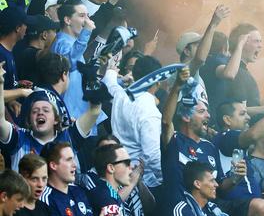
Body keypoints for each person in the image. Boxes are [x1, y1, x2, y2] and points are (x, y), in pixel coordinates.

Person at [160, 67, 251, 215]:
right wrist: (177, 86)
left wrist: (235, 178)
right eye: (202, 112)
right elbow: (165, 121)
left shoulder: (209, 146)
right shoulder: (174, 139)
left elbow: (218, 187)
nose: (208, 115)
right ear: (186, 117)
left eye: (207, 111)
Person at [0, 60, 101, 170]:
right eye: (35, 111)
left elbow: (94, 111)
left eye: (46, 110)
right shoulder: (19, 137)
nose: (40, 112)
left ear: (56, 119)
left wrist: (93, 81)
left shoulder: (68, 137)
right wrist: (0, 83)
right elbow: (0, 120)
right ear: (29, 120)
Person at [212, 99, 264, 216]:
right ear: (227, 120)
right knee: (260, 205)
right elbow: (253, 134)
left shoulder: (235, 141)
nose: (248, 117)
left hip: (253, 202)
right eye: (242, 114)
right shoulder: (227, 137)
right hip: (235, 205)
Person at [105, 55, 163, 191]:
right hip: (137, 180)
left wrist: (111, 70)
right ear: (156, 80)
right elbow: (152, 155)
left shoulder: (120, 95)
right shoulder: (151, 112)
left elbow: (109, 84)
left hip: (114, 168)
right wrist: (161, 180)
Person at [51, 0, 106, 133]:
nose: (87, 21)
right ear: (67, 20)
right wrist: (86, 32)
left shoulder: (71, 41)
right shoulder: (61, 42)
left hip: (81, 112)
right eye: (82, 16)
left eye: (88, 16)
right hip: (73, 116)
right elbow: (70, 62)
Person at [39, 142, 93, 216]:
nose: (75, 165)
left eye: (73, 159)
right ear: (53, 165)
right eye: (69, 160)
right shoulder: (45, 199)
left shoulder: (78, 191)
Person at [0, 7, 33, 110]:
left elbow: (4, 86)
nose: (27, 28)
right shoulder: (1, 54)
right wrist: (22, 92)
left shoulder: (8, 51)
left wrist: (17, 84)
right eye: (25, 24)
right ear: (18, 28)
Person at [85, 144, 131, 215]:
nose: (131, 167)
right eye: (126, 163)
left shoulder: (107, 191)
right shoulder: (106, 199)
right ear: (111, 168)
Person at [15, 15, 58, 83]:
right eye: (55, 31)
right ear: (44, 35)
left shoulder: (21, 50)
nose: (56, 35)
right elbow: (42, 55)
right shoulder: (30, 53)